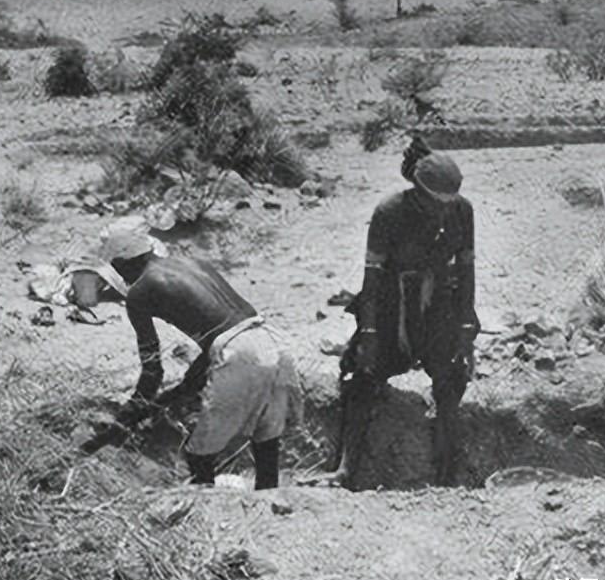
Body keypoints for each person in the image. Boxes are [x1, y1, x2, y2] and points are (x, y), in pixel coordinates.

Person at [307, 136, 479, 488]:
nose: (444, 210)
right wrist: (368, 335)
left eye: (450, 203)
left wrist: (465, 326)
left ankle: (448, 470)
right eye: (437, 203)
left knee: (451, 377)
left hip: (439, 304)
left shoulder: (462, 211)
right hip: (390, 304)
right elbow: (371, 279)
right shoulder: (389, 213)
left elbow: (466, 271)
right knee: (360, 377)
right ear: (418, 192)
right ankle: (346, 468)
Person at [81, 219, 301, 491]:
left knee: (198, 455)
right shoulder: (191, 263)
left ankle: (203, 513)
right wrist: (185, 385)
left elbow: (152, 371)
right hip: (272, 340)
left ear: (123, 262)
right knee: (266, 437)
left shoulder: (139, 293)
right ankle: (270, 502)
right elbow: (225, 330)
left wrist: (126, 419)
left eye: (114, 266)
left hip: (239, 351)